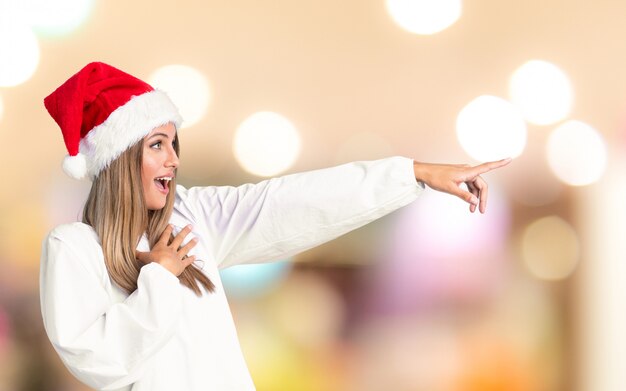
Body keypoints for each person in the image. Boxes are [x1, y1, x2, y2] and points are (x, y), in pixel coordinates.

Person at [40, 62, 511, 391]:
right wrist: (158, 278)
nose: (174, 159)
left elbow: (290, 203)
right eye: (158, 144)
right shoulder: (74, 247)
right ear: (121, 156)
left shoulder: (191, 219)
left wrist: (412, 174)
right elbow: (99, 361)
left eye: (174, 143)